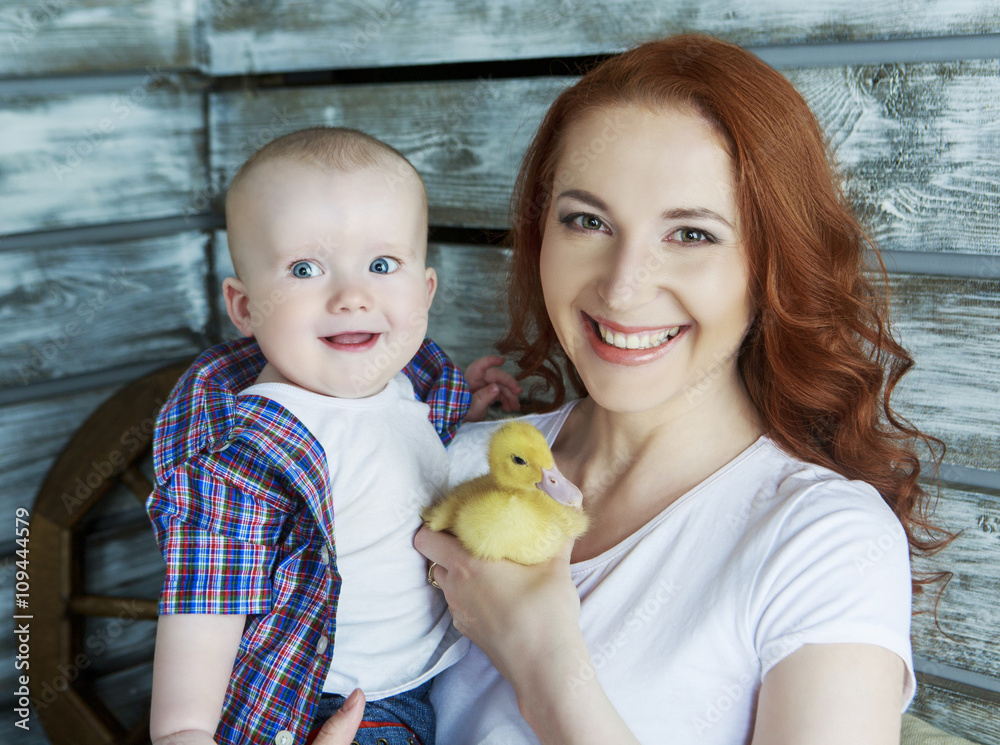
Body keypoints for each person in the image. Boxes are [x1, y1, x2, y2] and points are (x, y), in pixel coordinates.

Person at [312, 34, 949, 745]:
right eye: (587, 221)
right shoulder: (450, 464)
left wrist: (546, 664)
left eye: (692, 234)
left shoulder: (821, 540)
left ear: (770, 265)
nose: (621, 287)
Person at [146, 127, 520, 745]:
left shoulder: (404, 387)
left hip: (423, 685)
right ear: (244, 307)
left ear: (424, 291)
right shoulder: (248, 452)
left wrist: (462, 408)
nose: (351, 296)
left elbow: (391, 455)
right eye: (304, 268)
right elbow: (205, 594)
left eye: (380, 264)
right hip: (324, 710)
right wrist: (183, 729)